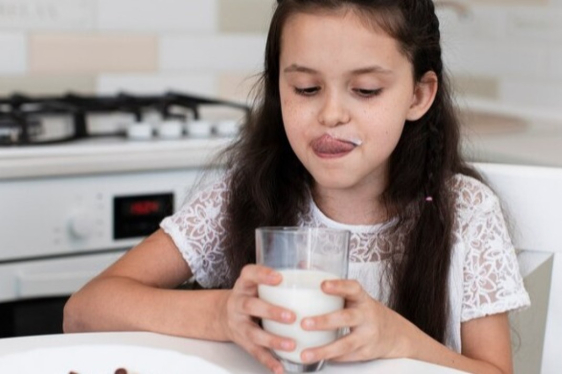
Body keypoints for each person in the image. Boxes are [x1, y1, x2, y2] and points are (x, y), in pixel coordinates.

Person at [63, 1, 530, 373]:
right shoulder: (246, 195)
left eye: (365, 90)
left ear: (418, 95)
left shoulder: (466, 212)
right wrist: (223, 314)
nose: (330, 115)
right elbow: (84, 311)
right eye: (307, 88)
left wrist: (398, 338)